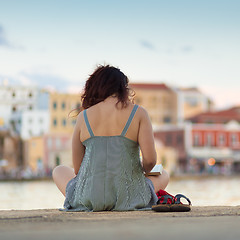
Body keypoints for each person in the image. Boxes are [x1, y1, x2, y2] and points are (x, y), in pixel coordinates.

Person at [52, 65, 169, 211]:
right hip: (131, 197)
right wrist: (143, 171)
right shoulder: (139, 113)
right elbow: (150, 161)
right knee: (163, 173)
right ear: (123, 88)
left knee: (59, 170)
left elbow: (78, 169)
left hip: (89, 198)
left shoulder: (84, 116)